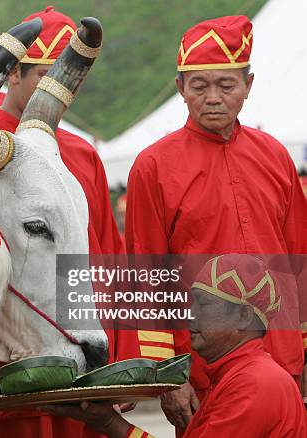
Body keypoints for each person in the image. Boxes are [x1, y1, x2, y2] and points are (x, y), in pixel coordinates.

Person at [0, 7, 125, 438]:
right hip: (5, 361)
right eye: (43, 74)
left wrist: (116, 363)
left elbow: (109, 259)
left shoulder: (82, 155)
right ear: (12, 75)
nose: (55, 87)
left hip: (84, 347)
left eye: (62, 78)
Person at [122, 15, 307, 432]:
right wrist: (168, 374)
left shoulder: (276, 157)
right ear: (180, 89)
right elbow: (145, 276)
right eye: (198, 85)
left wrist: (302, 352)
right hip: (206, 369)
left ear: (248, 85)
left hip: (282, 359)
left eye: (226, 85)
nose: (213, 98)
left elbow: (298, 261)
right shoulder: (153, 166)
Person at [43, 255, 307, 437]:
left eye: (202, 304)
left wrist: (110, 424)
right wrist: (109, 422)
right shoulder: (238, 376)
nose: (189, 315)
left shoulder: (254, 383)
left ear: (243, 316)